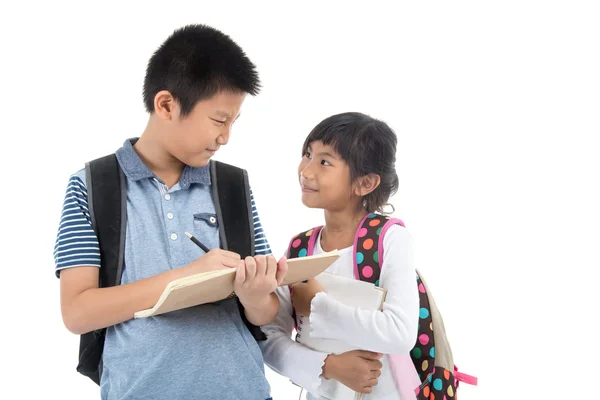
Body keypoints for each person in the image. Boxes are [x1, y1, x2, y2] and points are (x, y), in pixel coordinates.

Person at [54, 24, 286, 400]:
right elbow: (78, 312)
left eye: (233, 123)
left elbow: (267, 313)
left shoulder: (232, 187)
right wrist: (187, 278)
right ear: (166, 104)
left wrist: (256, 295)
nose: (225, 137)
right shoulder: (91, 187)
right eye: (219, 120)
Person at [260, 112, 420, 399]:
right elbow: (269, 337)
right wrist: (329, 367)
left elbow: (401, 333)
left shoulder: (391, 240)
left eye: (324, 162)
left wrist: (317, 306)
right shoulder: (300, 248)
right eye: (307, 154)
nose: (306, 171)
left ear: (365, 183)